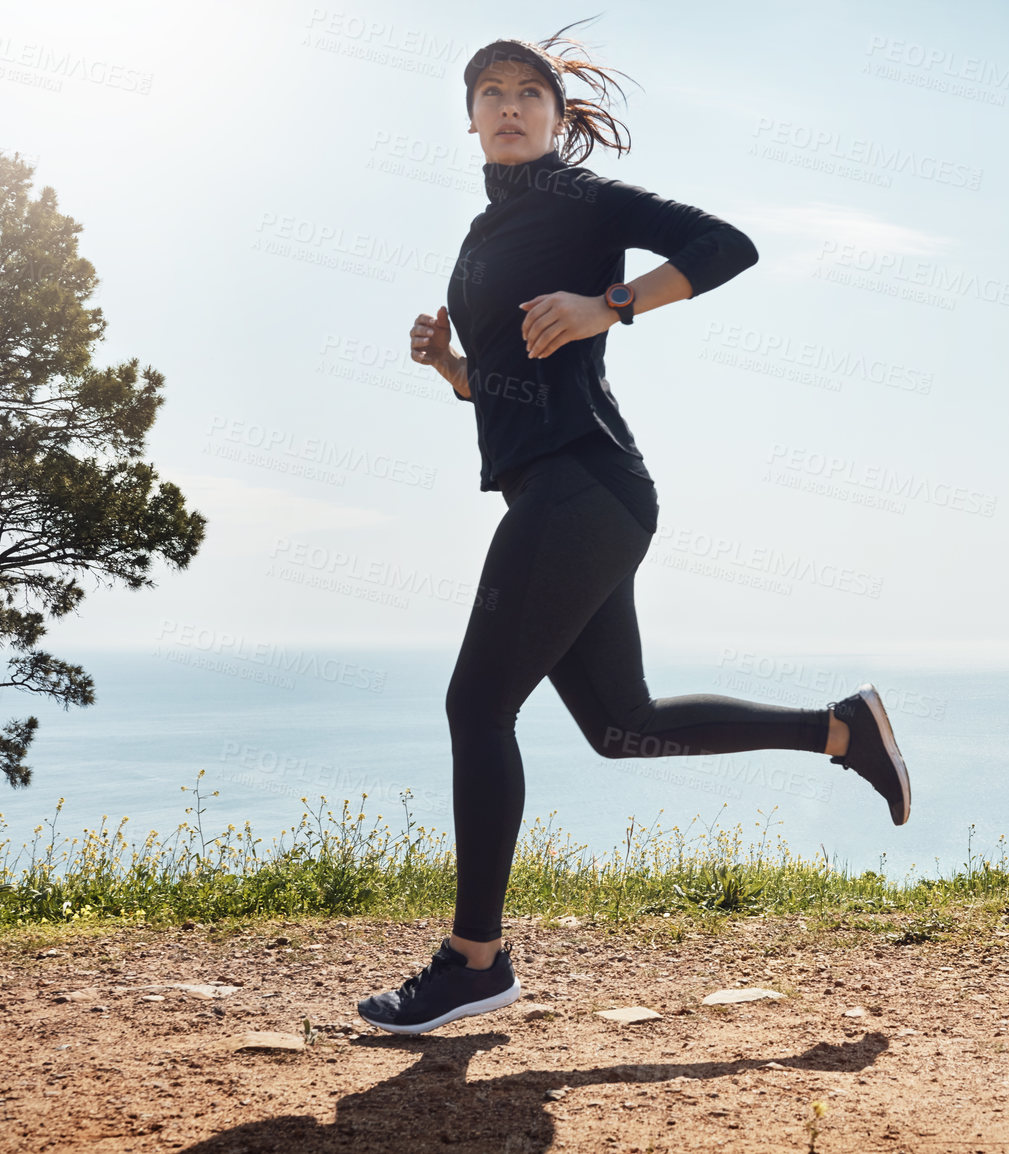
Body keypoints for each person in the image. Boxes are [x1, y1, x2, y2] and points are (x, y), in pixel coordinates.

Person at [356, 24, 911, 1036]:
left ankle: (474, 959)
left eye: (532, 93)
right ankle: (840, 728)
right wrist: (449, 369)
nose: (512, 106)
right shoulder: (482, 237)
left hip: (585, 489)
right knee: (621, 724)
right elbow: (517, 382)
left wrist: (610, 301)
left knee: (477, 704)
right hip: (565, 494)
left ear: (559, 119)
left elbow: (725, 246)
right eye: (493, 93)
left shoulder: (580, 200)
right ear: (469, 118)